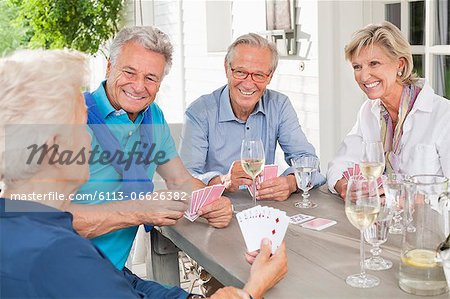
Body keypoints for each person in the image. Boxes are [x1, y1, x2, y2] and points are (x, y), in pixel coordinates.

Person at [0, 49, 287, 299]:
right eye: (81, 125)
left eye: (151, 77)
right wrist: (252, 289)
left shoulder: (23, 220)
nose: (89, 140)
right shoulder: (60, 258)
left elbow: (122, 283)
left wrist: (209, 199)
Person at [67, 26, 233, 270]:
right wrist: (139, 211)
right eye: (129, 72)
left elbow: (180, 181)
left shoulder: (152, 116)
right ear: (110, 67)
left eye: (150, 78)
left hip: (109, 274)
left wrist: (215, 200)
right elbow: (48, 219)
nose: (138, 86)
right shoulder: (69, 117)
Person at [179, 33, 325, 202]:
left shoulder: (279, 105)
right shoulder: (200, 112)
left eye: (259, 75)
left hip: (263, 210)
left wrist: (292, 182)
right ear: (227, 68)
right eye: (240, 72)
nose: (248, 83)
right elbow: (183, 180)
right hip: (214, 212)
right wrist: (222, 181)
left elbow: (308, 161)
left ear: (270, 76)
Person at [327, 21, 450, 199]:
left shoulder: (444, 115)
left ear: (400, 64)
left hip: (427, 224)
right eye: (357, 67)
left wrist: (409, 199)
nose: (363, 76)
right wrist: (345, 186)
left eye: (374, 63)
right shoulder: (368, 111)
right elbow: (340, 163)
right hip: (381, 220)